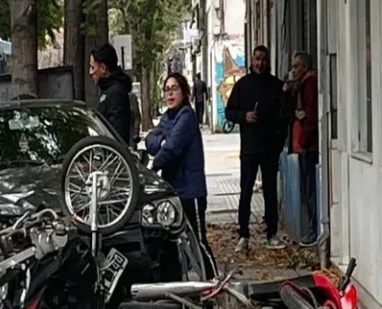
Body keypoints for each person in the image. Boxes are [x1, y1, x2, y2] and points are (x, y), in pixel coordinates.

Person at [145, 73, 218, 280]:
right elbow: (151, 140)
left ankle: (213, 281)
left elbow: (172, 149)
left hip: (191, 191)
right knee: (170, 241)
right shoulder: (168, 118)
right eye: (167, 89)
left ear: (184, 92)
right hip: (172, 191)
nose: (170, 93)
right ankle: (175, 286)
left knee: (198, 240)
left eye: (174, 88)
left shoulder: (187, 116)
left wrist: (154, 163)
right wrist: (162, 142)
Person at [225, 45, 287, 251]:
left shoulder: (276, 85)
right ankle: (243, 234)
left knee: (270, 190)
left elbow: (284, 115)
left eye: (263, 59)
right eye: (257, 59)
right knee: (246, 190)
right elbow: (229, 112)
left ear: (268, 61)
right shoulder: (242, 85)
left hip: (270, 148)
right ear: (251, 60)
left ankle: (272, 232)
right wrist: (244, 116)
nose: (260, 63)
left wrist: (279, 143)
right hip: (249, 147)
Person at [285, 52, 318, 247]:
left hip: (309, 147)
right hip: (303, 145)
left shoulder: (309, 84)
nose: (294, 70)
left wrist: (304, 142)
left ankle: (313, 230)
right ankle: (311, 229)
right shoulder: (301, 85)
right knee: (307, 190)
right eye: (293, 66)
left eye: (297, 66)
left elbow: (311, 117)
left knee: (310, 190)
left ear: (305, 67)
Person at [89, 43, 132, 145]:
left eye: (92, 67)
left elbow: (117, 133)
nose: (90, 72)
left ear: (103, 68)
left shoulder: (115, 92)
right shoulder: (108, 90)